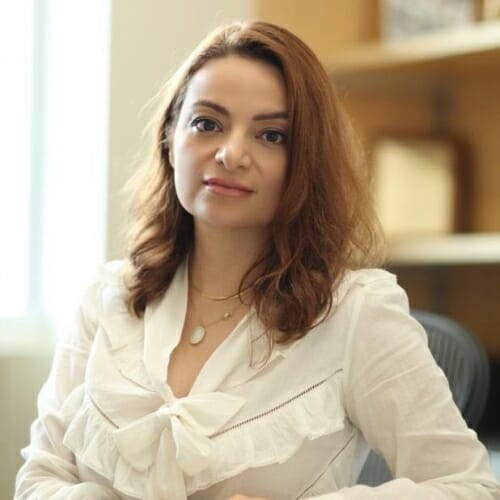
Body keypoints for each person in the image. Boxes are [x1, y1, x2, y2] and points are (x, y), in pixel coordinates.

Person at [15, 20, 499, 500]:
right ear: (169, 137)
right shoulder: (110, 299)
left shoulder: (356, 313)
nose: (230, 153)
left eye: (271, 136)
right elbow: (39, 480)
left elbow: (469, 488)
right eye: (208, 124)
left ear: (305, 161)